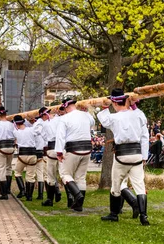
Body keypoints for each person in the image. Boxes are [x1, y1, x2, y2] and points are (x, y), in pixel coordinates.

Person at [98, 89, 150, 225]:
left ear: (114, 103)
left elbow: (104, 120)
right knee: (139, 185)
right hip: (137, 155)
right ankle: (143, 216)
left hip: (122, 155)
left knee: (116, 185)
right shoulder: (138, 115)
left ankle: (114, 214)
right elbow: (144, 134)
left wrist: (104, 107)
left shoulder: (114, 118)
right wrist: (144, 156)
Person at [55, 98, 95, 211]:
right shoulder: (86, 115)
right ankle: (79, 205)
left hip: (73, 149)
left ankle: (77, 196)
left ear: (66, 107)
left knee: (65, 174)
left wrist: (59, 152)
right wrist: (86, 111)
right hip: (87, 149)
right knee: (81, 177)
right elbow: (93, 123)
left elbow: (60, 136)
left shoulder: (65, 118)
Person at [12, 115, 40, 201]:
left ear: (16, 124)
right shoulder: (31, 130)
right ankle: (29, 196)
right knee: (30, 176)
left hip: (22, 154)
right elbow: (38, 132)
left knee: (17, 172)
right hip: (32, 153)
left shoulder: (16, 132)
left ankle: (22, 190)